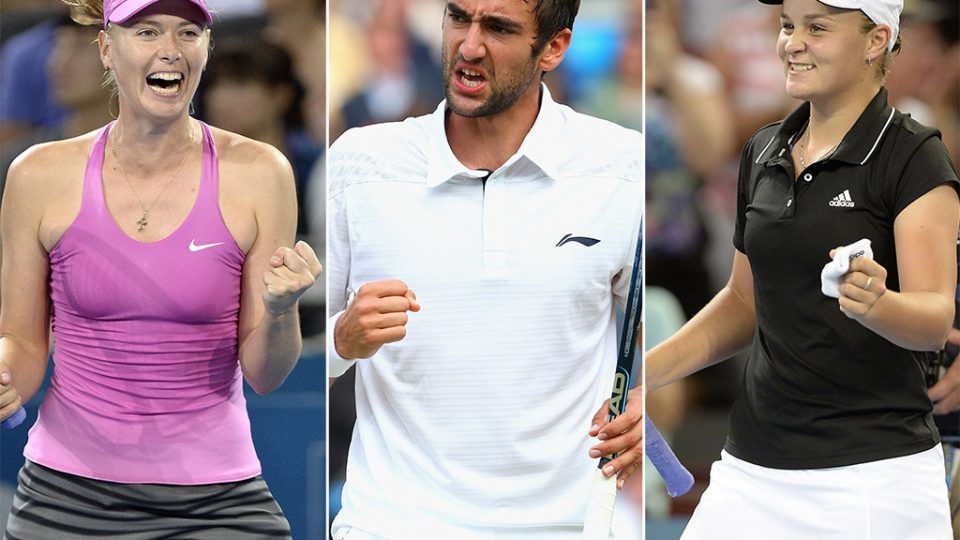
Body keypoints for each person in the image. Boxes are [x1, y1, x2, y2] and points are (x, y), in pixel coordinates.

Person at [0, 0, 321, 537]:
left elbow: (265, 374)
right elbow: (22, 341)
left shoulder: (262, 173)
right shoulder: (37, 175)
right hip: (65, 493)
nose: (170, 50)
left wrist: (282, 309)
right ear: (107, 49)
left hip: (217, 499)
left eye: (188, 32)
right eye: (146, 31)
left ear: (205, 50)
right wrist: (5, 377)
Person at [326, 1, 642, 538]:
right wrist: (342, 339)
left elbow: (651, 341)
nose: (469, 46)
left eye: (497, 28)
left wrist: (643, 401)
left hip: (569, 525)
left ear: (554, 48)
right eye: (457, 18)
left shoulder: (622, 166)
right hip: (392, 524)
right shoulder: (358, 162)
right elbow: (289, 357)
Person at [646, 0, 959, 538]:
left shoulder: (914, 156)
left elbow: (934, 321)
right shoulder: (763, 149)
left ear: (875, 40)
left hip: (874, 478)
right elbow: (744, 303)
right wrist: (643, 372)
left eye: (817, 28)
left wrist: (880, 306)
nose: (792, 43)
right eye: (788, 25)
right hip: (750, 469)